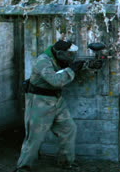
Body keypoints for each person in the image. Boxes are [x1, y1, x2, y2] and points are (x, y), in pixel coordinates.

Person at [14, 40, 85, 172]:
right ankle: (23, 167)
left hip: (57, 101)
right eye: (69, 54)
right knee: (35, 137)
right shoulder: (43, 61)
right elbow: (55, 81)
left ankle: (66, 162)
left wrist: (83, 65)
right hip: (39, 102)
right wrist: (72, 69)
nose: (72, 57)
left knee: (68, 129)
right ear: (59, 53)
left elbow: (64, 70)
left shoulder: (59, 58)